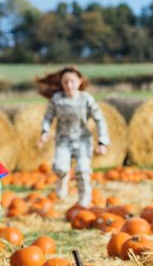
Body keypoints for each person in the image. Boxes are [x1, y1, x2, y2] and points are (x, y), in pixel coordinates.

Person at [36, 65, 109, 207]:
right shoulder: (57, 99)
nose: (69, 86)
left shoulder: (86, 99)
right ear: (61, 84)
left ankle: (84, 203)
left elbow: (99, 119)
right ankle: (62, 180)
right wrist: (44, 132)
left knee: (83, 170)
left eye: (72, 82)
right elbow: (48, 118)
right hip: (63, 140)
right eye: (65, 82)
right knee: (60, 168)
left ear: (79, 81)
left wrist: (102, 142)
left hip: (83, 140)